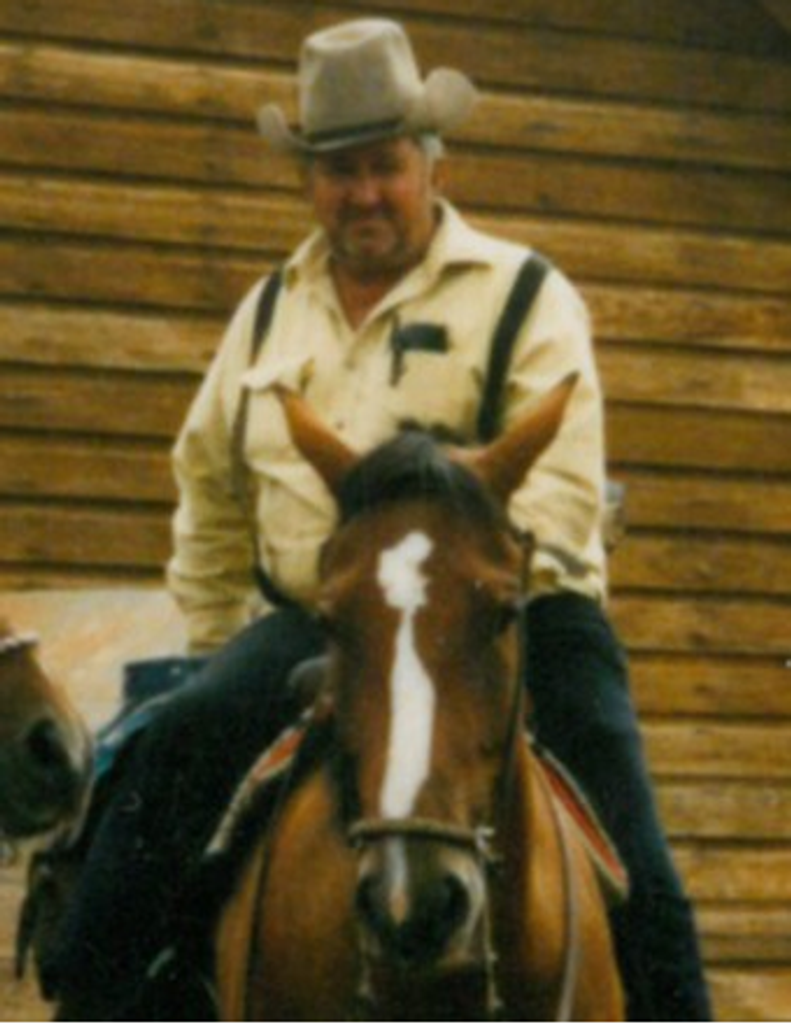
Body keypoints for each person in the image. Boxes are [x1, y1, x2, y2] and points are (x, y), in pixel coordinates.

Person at [52, 18, 712, 1021]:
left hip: (509, 616)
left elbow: (561, 488)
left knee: (631, 839)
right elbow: (209, 481)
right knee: (177, 744)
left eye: (383, 166)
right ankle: (101, 998)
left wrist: (461, 592)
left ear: (432, 167)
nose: (362, 193)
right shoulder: (268, 312)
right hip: (322, 620)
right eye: (338, 170)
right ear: (308, 182)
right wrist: (221, 638)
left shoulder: (524, 295)